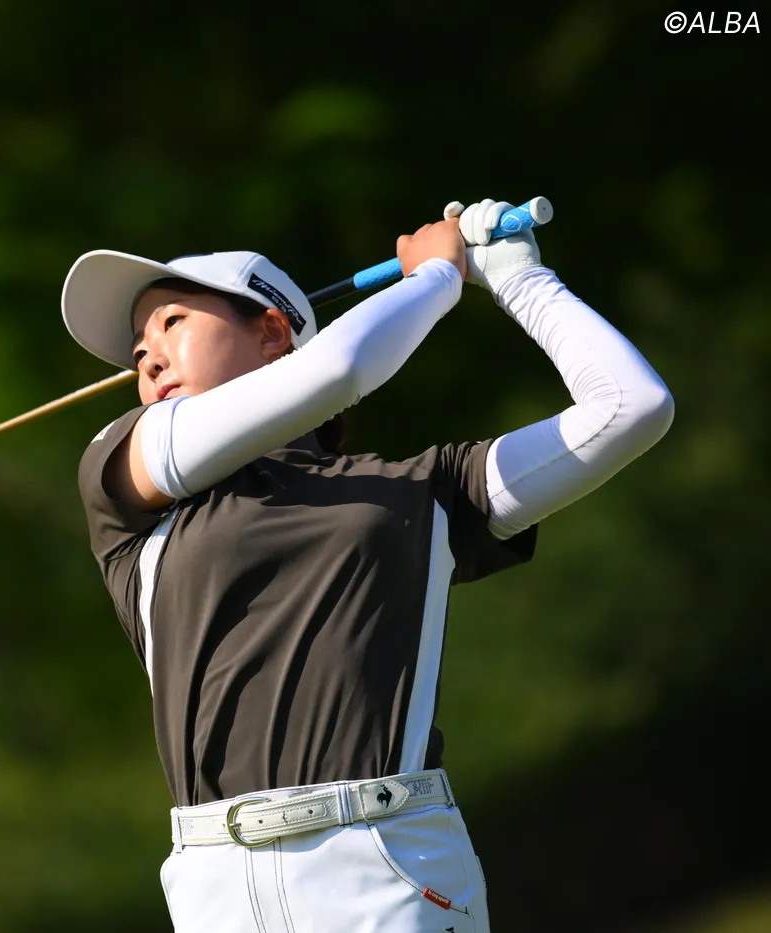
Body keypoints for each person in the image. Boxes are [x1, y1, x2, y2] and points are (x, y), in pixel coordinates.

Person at [60, 199, 674, 933]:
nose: (149, 357)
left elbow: (631, 406)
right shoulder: (124, 481)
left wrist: (517, 278)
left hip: (386, 869)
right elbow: (338, 368)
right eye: (137, 351)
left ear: (272, 331)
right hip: (215, 889)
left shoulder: (424, 490)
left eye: (173, 322)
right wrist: (435, 278)